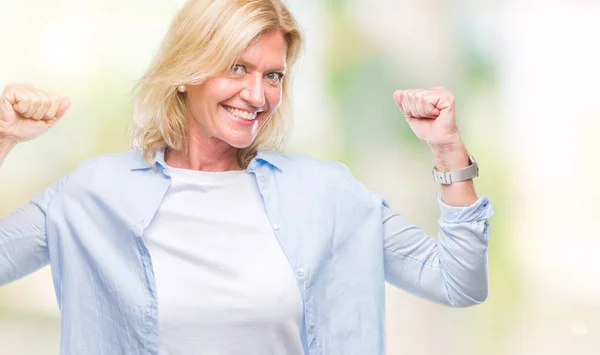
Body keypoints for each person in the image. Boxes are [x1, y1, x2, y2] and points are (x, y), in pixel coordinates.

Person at [0, 0, 494, 354]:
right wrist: (3, 140)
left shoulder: (326, 194)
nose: (257, 96)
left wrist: (447, 148)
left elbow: (458, 282)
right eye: (237, 68)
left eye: (272, 76)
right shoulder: (93, 193)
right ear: (187, 69)